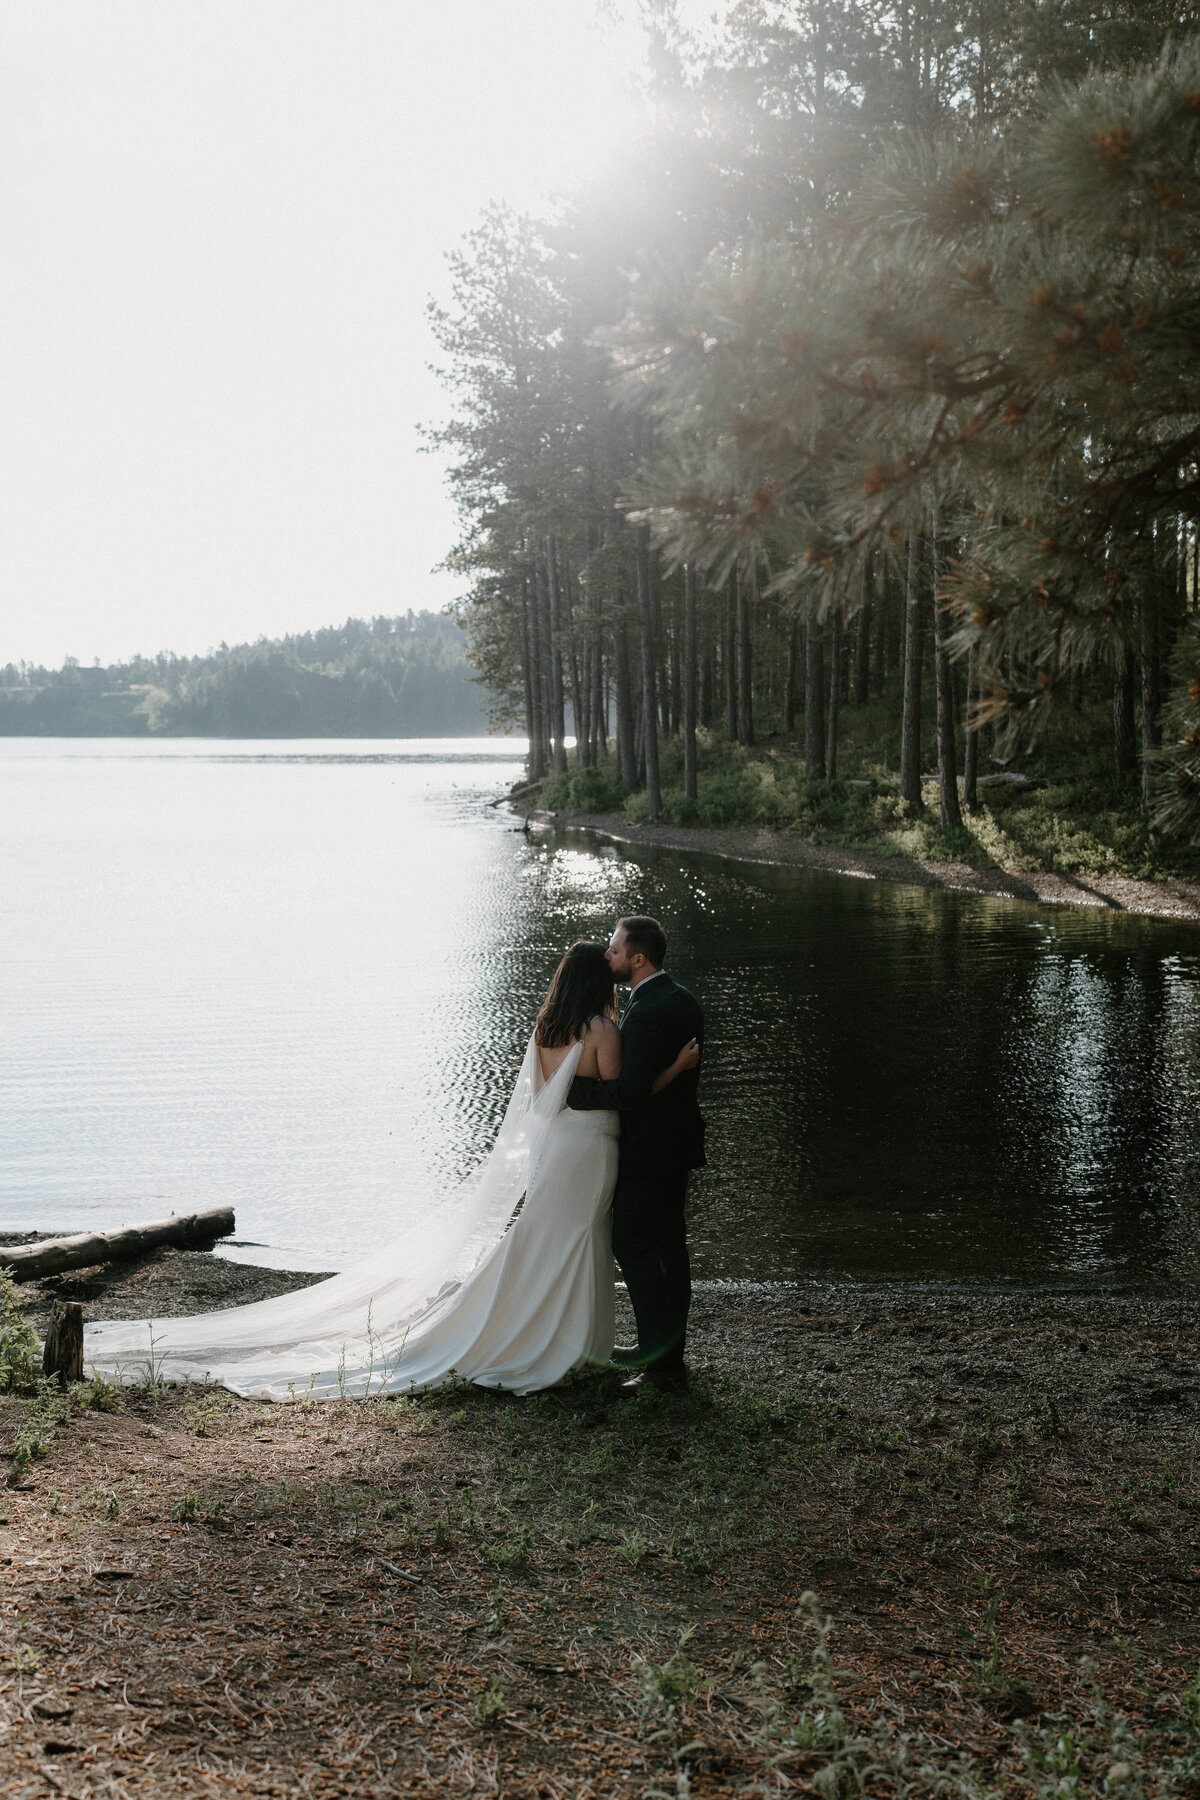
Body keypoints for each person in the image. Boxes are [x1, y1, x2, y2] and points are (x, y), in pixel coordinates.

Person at [82, 941, 697, 1401]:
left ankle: (562, 1342)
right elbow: (621, 1096)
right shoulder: (602, 1028)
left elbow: (547, 1099)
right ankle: (559, 1346)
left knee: (549, 1241)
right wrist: (671, 1071)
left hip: (561, 1150)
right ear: (599, 982)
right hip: (590, 1150)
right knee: (571, 1243)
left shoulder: (548, 1026)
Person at [566, 915, 705, 1393]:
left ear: (637, 959)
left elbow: (630, 1094)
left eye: (615, 949)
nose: (609, 956)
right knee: (669, 1250)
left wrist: (577, 1093)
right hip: (677, 1147)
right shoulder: (683, 1000)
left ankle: (661, 1364)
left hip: (649, 1153)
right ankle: (664, 1352)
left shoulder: (645, 1012)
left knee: (635, 1246)